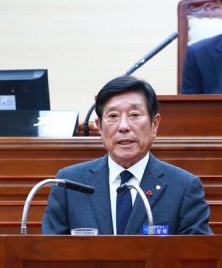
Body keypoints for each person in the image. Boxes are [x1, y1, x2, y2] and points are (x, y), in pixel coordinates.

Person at [42, 75, 212, 235]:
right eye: (113, 116)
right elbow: (50, 251)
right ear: (99, 127)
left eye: (134, 115)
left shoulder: (183, 187)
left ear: (154, 124)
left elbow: (199, 253)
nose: (123, 126)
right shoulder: (69, 184)